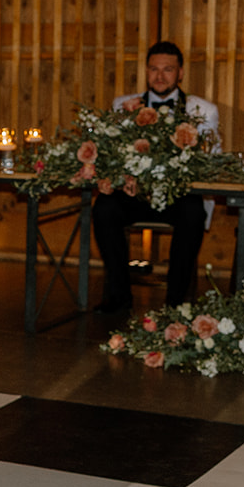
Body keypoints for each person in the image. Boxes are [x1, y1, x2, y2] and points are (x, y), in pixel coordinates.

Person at [92, 40, 221, 312]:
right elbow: (112, 152)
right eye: (154, 69)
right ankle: (119, 296)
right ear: (146, 71)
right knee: (104, 208)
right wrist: (122, 175)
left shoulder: (202, 110)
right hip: (136, 195)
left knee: (193, 213)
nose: (160, 76)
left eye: (168, 70)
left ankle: (175, 302)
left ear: (181, 73)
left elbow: (208, 161)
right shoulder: (124, 105)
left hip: (177, 196)